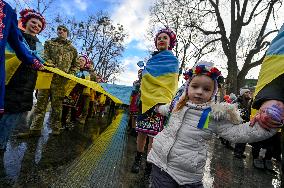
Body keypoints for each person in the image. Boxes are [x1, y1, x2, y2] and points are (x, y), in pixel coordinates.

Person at [147, 61, 283, 188]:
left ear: (213, 92)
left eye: (206, 89)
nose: (199, 91)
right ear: (188, 87)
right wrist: (154, 107)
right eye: (195, 86)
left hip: (188, 174)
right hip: (160, 165)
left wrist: (268, 125)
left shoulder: (214, 115)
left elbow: (238, 133)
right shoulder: (176, 105)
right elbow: (164, 109)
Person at [131, 28, 179, 183]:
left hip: (160, 103)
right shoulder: (151, 60)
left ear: (170, 42)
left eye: (165, 38)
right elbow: (147, 80)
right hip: (145, 100)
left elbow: (171, 82)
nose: (161, 40)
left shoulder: (173, 60)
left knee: (154, 136)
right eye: (159, 38)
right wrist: (143, 75)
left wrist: (164, 100)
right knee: (141, 132)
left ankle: (149, 165)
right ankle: (138, 158)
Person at [19, 25, 78, 137]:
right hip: (47, 77)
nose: (61, 31)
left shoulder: (72, 49)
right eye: (59, 29)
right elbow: (43, 56)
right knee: (41, 104)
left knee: (57, 106)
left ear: (67, 33)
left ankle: (55, 128)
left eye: (64, 30)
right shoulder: (49, 43)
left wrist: (71, 73)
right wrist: (50, 63)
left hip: (61, 81)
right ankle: (35, 130)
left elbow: (76, 64)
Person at [0, 3, 44, 152]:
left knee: (12, 115)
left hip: (26, 83)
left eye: (39, 25)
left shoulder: (40, 45)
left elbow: (42, 61)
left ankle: (2, 144)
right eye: (33, 22)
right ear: (25, 22)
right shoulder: (14, 34)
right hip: (9, 78)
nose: (36, 26)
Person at [233, 88, 252, 159]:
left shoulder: (248, 101)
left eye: (249, 92)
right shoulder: (238, 101)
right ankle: (237, 152)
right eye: (247, 92)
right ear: (243, 94)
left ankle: (240, 152)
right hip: (240, 122)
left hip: (246, 122)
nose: (249, 94)